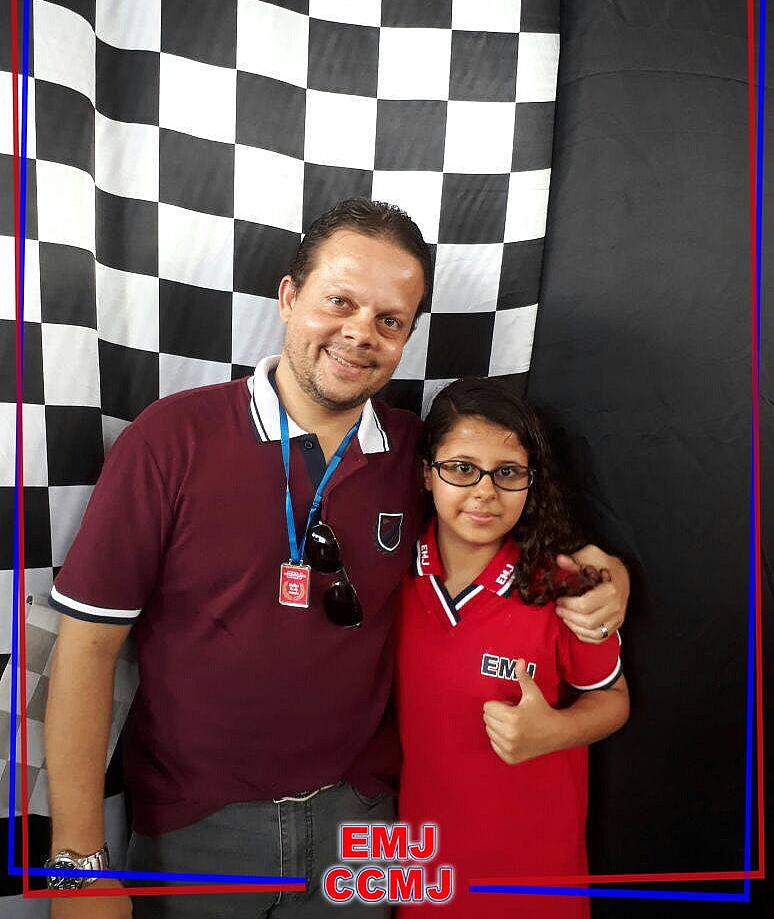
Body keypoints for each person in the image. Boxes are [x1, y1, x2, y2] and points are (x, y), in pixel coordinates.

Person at [43, 199, 631, 918]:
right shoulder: (171, 440)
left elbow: (508, 520)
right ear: (290, 296)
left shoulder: (419, 456)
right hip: (196, 827)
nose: (360, 334)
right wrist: (79, 868)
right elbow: (87, 647)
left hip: (362, 823)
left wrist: (605, 573)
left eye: (390, 320)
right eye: (340, 302)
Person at [396, 377, 631, 918]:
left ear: (531, 481)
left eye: (507, 473)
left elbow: (614, 699)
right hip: (425, 875)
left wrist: (556, 731)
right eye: (462, 468)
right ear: (426, 473)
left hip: (536, 879)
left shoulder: (565, 586)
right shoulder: (392, 576)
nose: (485, 491)